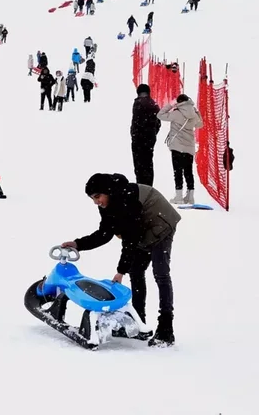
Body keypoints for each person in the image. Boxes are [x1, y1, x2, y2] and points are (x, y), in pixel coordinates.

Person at [61, 173, 180, 347]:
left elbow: (130, 238)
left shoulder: (126, 200)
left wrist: (120, 271)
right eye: (92, 198)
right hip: (142, 225)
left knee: (160, 274)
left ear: (107, 191)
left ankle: (166, 328)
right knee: (137, 271)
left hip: (160, 221)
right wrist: (78, 244)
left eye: (97, 197)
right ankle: (139, 323)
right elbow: (104, 233)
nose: (96, 202)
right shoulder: (108, 204)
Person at [158, 94, 204, 203]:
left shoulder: (176, 113)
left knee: (177, 171)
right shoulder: (193, 114)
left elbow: (160, 115)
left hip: (177, 146)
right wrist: (197, 112)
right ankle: (190, 196)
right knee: (188, 172)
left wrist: (170, 104)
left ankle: (178, 196)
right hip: (189, 147)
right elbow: (200, 125)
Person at [130, 84, 161, 185]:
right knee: (148, 164)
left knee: (139, 166)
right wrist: (152, 133)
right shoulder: (154, 104)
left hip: (139, 140)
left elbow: (136, 122)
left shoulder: (138, 103)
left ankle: (141, 187)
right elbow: (158, 122)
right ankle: (148, 187)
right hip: (149, 140)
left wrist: (135, 135)